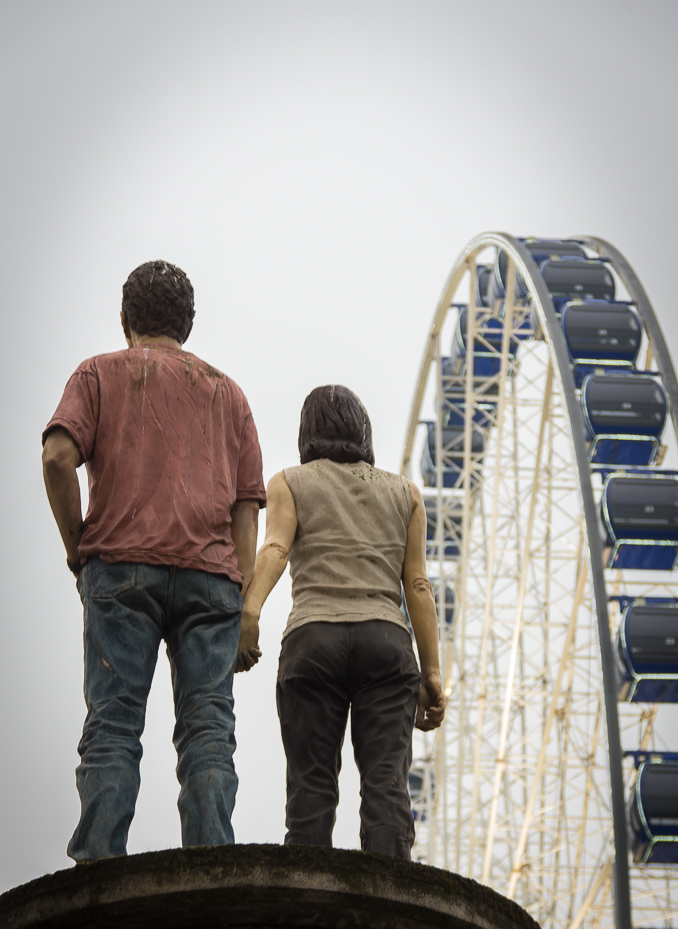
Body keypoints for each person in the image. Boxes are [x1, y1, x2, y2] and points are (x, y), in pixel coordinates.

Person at [42, 260, 266, 861]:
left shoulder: (97, 374)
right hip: (213, 580)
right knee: (208, 732)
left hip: (119, 566)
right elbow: (247, 509)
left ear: (125, 321)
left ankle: (98, 867)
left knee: (114, 725)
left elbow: (57, 457)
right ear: (188, 324)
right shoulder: (230, 393)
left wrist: (76, 549)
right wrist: (247, 605)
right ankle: (212, 866)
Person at [236, 385, 445, 860]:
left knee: (310, 787)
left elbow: (276, 550)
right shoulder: (405, 493)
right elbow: (417, 587)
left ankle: (309, 911)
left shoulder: (290, 482)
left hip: (314, 639)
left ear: (306, 434)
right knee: (387, 785)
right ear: (363, 430)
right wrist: (431, 673)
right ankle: (389, 909)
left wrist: (250, 611)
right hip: (387, 642)